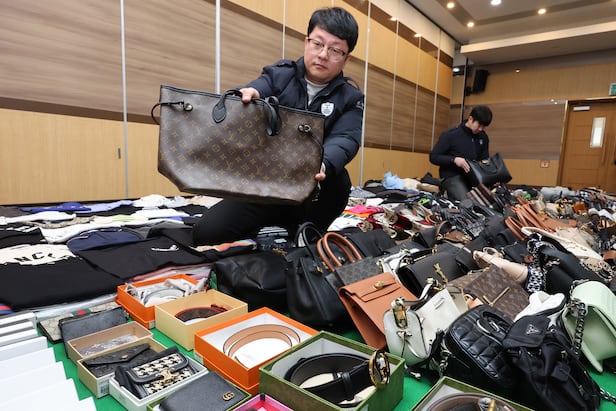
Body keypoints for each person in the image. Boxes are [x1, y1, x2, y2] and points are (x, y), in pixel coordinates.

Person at [192, 7, 364, 246]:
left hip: (310, 191)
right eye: (317, 44)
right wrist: (248, 95)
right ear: (306, 42)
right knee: (205, 233)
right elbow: (257, 89)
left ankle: (304, 230)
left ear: (347, 58)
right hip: (266, 184)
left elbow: (346, 139)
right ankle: (277, 227)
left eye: (335, 50)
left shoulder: (351, 98)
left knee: (339, 179)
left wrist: (321, 163)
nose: (323, 54)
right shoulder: (279, 75)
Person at [429, 105, 492, 202]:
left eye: (483, 127)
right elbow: (433, 157)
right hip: (452, 177)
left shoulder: (483, 137)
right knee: (468, 203)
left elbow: (484, 159)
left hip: (473, 177)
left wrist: (492, 176)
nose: (480, 129)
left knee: (490, 200)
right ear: (470, 119)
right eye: (479, 125)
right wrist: (454, 160)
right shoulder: (451, 135)